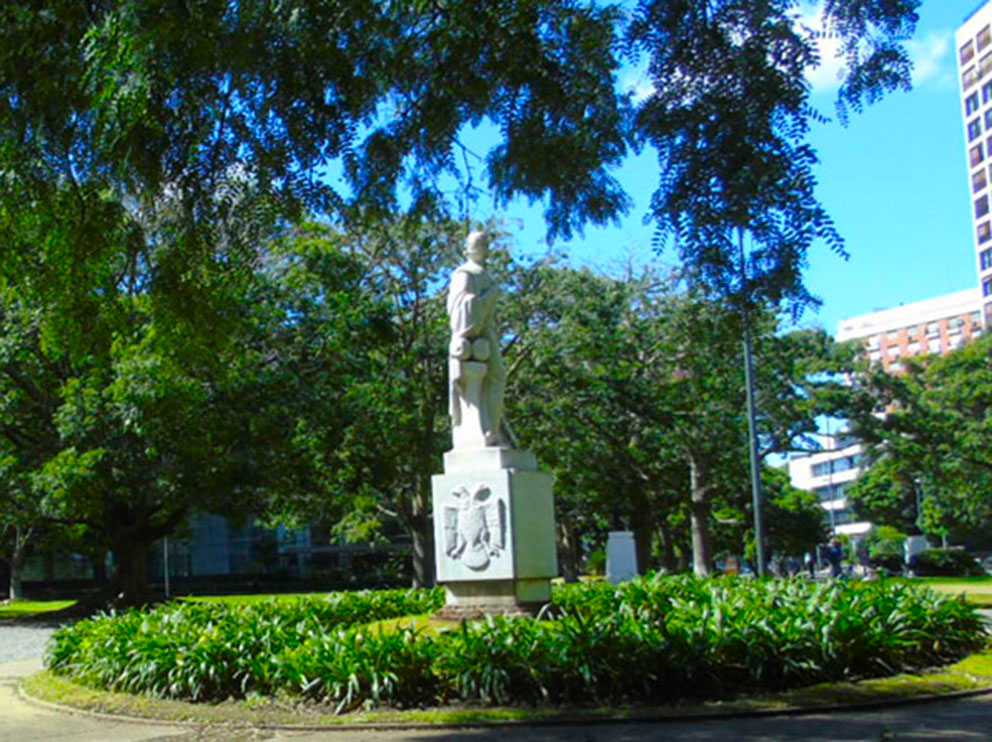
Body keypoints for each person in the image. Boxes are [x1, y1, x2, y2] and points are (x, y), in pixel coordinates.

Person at [446, 231, 511, 448]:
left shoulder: (485, 274)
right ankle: (481, 430)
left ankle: (492, 427)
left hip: (487, 331)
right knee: (483, 379)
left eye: (485, 244)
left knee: (497, 376)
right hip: (472, 334)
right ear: (469, 249)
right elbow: (459, 307)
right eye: (478, 244)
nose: (483, 248)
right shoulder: (464, 273)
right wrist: (488, 297)